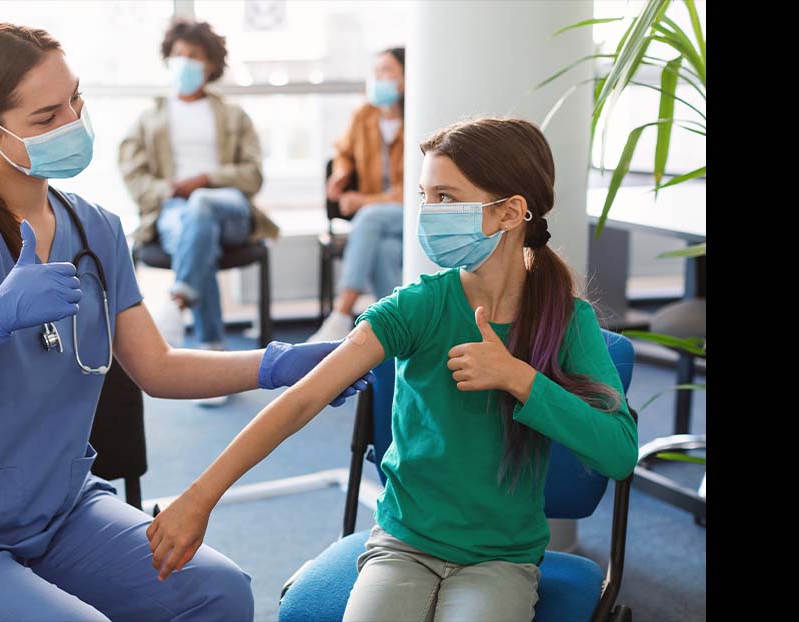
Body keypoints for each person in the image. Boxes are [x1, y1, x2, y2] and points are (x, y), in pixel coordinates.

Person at [0, 21, 371, 621]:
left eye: (76, 100)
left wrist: (280, 363)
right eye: (47, 117)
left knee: (219, 592)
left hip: (58, 509)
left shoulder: (95, 229)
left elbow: (157, 368)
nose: (73, 124)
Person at [146, 117, 639, 622]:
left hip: (501, 559)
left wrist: (518, 377)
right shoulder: (415, 308)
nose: (429, 213)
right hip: (402, 545)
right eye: (425, 196)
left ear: (510, 212)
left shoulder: (566, 320)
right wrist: (200, 497)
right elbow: (302, 401)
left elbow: (619, 454)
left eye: (446, 198)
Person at [119, 18, 278, 363]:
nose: (185, 61)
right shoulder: (149, 119)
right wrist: (169, 189)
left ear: (211, 65)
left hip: (230, 207)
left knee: (202, 204)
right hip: (173, 209)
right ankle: (212, 348)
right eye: (178, 54)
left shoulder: (235, 116)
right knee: (197, 235)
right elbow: (134, 177)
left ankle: (180, 303)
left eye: (195, 55)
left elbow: (253, 176)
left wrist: (206, 179)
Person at [309, 47, 407, 343]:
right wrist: (340, 172)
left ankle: (342, 312)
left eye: (387, 71)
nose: (379, 78)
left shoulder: (420, 116)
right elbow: (343, 153)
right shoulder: (364, 115)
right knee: (385, 251)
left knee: (369, 216)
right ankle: (398, 329)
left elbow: (417, 188)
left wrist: (364, 201)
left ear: (407, 76)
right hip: (382, 222)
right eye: (376, 72)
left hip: (409, 210)